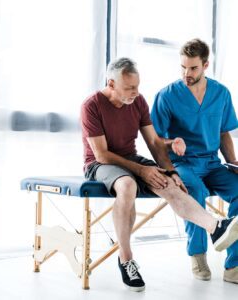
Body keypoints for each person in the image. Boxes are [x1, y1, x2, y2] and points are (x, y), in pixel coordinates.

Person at [81, 57, 238, 292]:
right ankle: (126, 260)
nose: (135, 92)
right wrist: (142, 170)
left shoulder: (139, 102)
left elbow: (154, 143)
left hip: (132, 159)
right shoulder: (91, 105)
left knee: (172, 186)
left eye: (137, 86)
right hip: (100, 164)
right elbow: (102, 155)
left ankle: (216, 227)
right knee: (127, 186)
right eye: (129, 88)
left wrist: (171, 172)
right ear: (111, 84)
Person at [151, 38, 238, 284]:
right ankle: (198, 256)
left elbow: (223, 133)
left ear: (206, 65)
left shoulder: (221, 93)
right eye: (183, 67)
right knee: (195, 191)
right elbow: (154, 139)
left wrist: (233, 163)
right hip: (183, 164)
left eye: (192, 68)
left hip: (212, 163)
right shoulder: (167, 95)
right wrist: (172, 142)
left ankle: (234, 266)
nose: (186, 73)